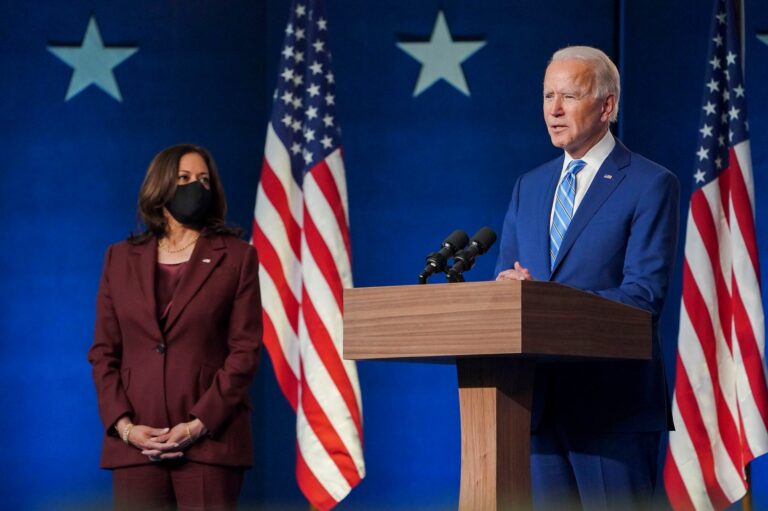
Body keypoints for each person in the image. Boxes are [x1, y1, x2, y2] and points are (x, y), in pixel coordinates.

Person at [495, 46, 679, 510]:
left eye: (569, 96)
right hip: (535, 406)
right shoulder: (528, 186)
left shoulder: (649, 183)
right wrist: (508, 291)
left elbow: (643, 297)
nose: (554, 110)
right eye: (547, 95)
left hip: (610, 410)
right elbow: (508, 278)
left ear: (607, 105)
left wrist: (545, 301)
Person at [88, 144, 262, 510]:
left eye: (203, 180)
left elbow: (244, 352)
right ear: (160, 186)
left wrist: (198, 425)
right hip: (137, 446)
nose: (194, 187)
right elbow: (104, 352)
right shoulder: (119, 258)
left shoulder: (238, 257)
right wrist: (125, 428)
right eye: (183, 179)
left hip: (209, 445)